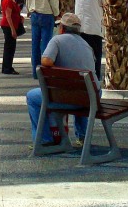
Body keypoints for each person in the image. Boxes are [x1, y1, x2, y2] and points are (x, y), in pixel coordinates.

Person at [25, 13, 95, 146]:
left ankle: (43, 139)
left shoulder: (57, 40)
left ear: (62, 28)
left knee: (32, 97)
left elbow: (46, 60)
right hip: (90, 98)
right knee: (82, 90)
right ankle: (83, 136)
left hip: (65, 98)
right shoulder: (87, 45)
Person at [26, 0, 60, 79]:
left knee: (35, 43)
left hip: (34, 15)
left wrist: (29, 11)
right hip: (47, 16)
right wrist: (56, 14)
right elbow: (54, 3)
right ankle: (45, 73)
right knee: (46, 44)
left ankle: (35, 72)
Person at [74, 0, 105, 80]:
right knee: (96, 56)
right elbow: (106, 6)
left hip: (80, 30)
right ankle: (95, 78)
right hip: (94, 30)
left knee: (82, 56)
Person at [0, 0, 24, 75]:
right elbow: (8, 16)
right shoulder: (8, 0)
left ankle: (8, 66)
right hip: (8, 26)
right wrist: (13, 30)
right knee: (9, 47)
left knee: (11, 47)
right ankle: (7, 68)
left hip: (12, 25)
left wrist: (20, 17)